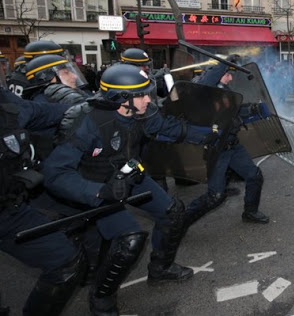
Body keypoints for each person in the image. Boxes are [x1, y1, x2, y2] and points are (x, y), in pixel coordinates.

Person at [43, 64, 216, 313]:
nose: (148, 99)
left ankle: (161, 268)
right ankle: (102, 298)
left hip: (128, 175)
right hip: (97, 186)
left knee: (172, 212)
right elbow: (56, 173)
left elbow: (166, 128)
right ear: (121, 99)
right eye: (142, 95)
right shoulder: (87, 121)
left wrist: (209, 134)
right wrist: (99, 192)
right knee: (130, 240)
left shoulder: (140, 113)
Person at [1, 67, 86, 316]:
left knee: (65, 261)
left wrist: (87, 106)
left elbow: (41, 112)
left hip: (9, 209)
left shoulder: (5, 102)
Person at [187, 61, 270, 225]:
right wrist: (222, 63)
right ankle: (181, 220)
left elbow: (233, 112)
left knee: (254, 176)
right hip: (218, 149)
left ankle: (250, 212)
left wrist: (252, 109)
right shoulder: (205, 91)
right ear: (217, 75)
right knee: (215, 195)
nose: (231, 78)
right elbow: (205, 84)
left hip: (233, 144)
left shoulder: (225, 91)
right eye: (227, 74)